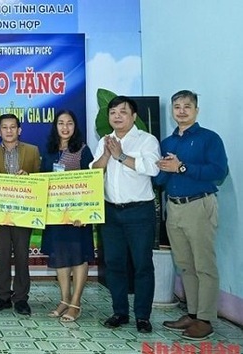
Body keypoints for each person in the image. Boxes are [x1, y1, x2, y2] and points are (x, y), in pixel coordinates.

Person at [155, 90, 228, 341]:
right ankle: (193, 313)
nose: (182, 111)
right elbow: (162, 179)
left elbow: (219, 172)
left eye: (187, 106)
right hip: (173, 207)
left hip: (199, 205)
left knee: (204, 265)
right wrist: (161, 169)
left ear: (196, 110)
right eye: (177, 106)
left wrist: (182, 167)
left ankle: (206, 319)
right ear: (172, 111)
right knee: (185, 265)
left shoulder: (209, 139)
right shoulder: (167, 142)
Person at [90, 96, 161, 333]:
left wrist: (120, 155)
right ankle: (119, 312)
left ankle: (143, 316)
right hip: (111, 212)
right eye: (113, 112)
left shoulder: (146, 140)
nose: (117, 116)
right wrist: (107, 155)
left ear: (133, 116)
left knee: (142, 265)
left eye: (123, 112)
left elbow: (152, 168)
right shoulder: (105, 141)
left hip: (139, 212)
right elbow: (94, 170)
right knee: (115, 264)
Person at [0, 113, 40, 316]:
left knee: (22, 255)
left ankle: (21, 298)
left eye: (12, 127)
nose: (8, 130)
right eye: (4, 127)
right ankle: (3, 297)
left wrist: (29, 178)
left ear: (19, 130)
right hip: (0, 214)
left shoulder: (32, 151)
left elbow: (40, 182)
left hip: (24, 212)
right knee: (3, 255)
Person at [40, 110, 94, 322]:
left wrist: (85, 213)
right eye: (61, 123)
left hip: (77, 217)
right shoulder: (50, 150)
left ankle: (76, 303)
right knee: (60, 257)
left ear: (75, 126)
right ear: (55, 126)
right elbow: (43, 178)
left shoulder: (82, 150)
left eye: (69, 123)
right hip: (55, 215)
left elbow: (92, 181)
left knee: (78, 257)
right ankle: (64, 299)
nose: (65, 127)